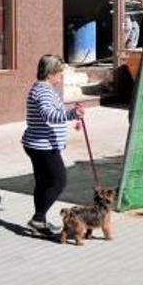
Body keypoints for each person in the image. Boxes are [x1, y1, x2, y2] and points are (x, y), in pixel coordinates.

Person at [21, 54, 84, 236]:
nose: (60, 76)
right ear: (50, 73)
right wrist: (72, 114)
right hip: (43, 146)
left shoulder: (40, 88)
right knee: (58, 180)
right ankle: (38, 219)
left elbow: (52, 111)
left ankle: (39, 222)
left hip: (38, 144)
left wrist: (70, 113)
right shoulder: (44, 91)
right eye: (59, 73)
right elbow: (49, 115)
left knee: (43, 182)